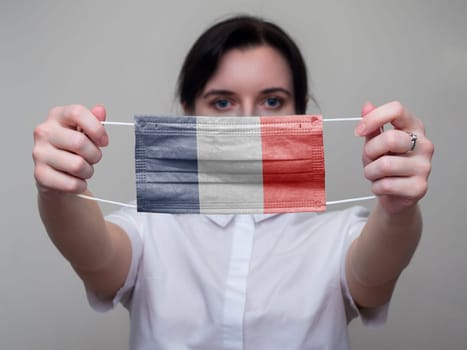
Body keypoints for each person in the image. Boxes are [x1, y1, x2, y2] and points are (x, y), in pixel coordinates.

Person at [32, 15, 434, 350]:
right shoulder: (149, 226)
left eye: (272, 101)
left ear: (301, 110)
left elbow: (374, 275)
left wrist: (399, 209)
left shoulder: (337, 234)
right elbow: (95, 257)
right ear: (188, 112)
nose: (247, 122)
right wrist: (59, 192)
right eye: (222, 102)